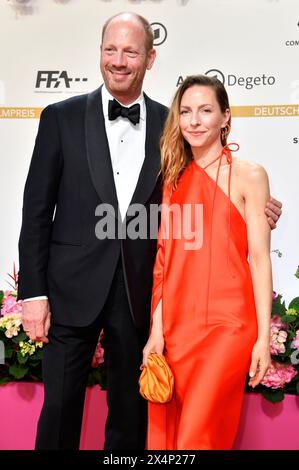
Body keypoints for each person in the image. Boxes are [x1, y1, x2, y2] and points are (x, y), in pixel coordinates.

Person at [17, 13, 281, 450]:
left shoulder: (170, 125)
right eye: (110, 50)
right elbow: (36, 210)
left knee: (131, 416)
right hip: (70, 289)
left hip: (138, 293)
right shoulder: (59, 117)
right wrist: (34, 293)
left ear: (150, 57)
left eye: (131, 52)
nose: (118, 61)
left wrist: (259, 209)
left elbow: (209, 186)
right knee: (60, 409)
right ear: (100, 52)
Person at [143, 75, 273, 450]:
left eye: (205, 111)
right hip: (179, 327)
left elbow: (260, 261)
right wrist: (157, 330)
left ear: (225, 117)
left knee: (197, 437)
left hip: (228, 326)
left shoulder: (249, 175)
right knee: (173, 436)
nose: (194, 121)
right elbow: (167, 261)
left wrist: (263, 339)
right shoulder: (171, 179)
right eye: (185, 112)